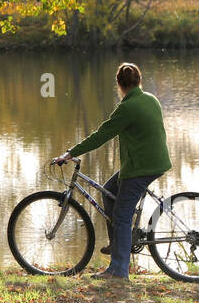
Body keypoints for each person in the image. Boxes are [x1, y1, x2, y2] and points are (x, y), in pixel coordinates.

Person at [53, 62, 171, 280]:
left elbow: (101, 135)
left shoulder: (127, 108)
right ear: (139, 80)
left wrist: (70, 153)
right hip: (154, 162)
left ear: (119, 84)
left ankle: (119, 270)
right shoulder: (150, 99)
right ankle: (118, 244)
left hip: (141, 168)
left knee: (123, 216)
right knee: (108, 190)